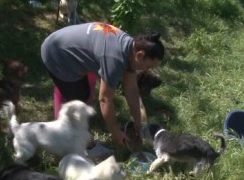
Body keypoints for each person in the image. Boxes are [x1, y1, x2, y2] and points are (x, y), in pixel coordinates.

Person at [40, 22, 164, 151]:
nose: (147, 70)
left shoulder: (129, 48)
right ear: (139, 55)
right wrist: (115, 132)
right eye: (149, 66)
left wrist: (139, 124)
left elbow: (132, 90)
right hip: (56, 53)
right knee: (78, 101)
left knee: (82, 93)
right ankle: (81, 146)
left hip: (63, 43)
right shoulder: (115, 59)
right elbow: (105, 100)